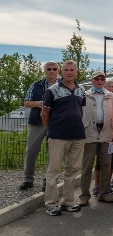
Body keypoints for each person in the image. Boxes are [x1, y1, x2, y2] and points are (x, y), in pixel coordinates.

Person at [41, 60, 86, 216]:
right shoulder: (52, 90)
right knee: (53, 171)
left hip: (78, 136)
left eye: (72, 70)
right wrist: (50, 131)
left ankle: (68, 201)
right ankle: (51, 204)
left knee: (72, 171)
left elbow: (81, 111)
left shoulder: (81, 90)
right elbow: (44, 114)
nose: (69, 72)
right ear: (62, 72)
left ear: (76, 71)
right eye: (66, 70)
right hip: (58, 136)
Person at [79, 71, 113, 206]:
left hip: (107, 132)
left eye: (102, 79)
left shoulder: (111, 96)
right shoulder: (84, 95)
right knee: (87, 165)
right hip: (89, 132)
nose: (100, 81)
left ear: (105, 81)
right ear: (92, 80)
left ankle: (104, 193)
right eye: (97, 79)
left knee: (106, 165)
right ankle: (84, 195)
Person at [20, 61, 60, 191]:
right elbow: (26, 102)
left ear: (58, 71)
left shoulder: (62, 86)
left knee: (52, 154)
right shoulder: (36, 85)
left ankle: (48, 181)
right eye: (49, 69)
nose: (52, 71)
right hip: (37, 122)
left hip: (55, 123)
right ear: (45, 71)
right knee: (31, 151)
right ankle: (28, 179)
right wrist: (38, 103)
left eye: (54, 69)